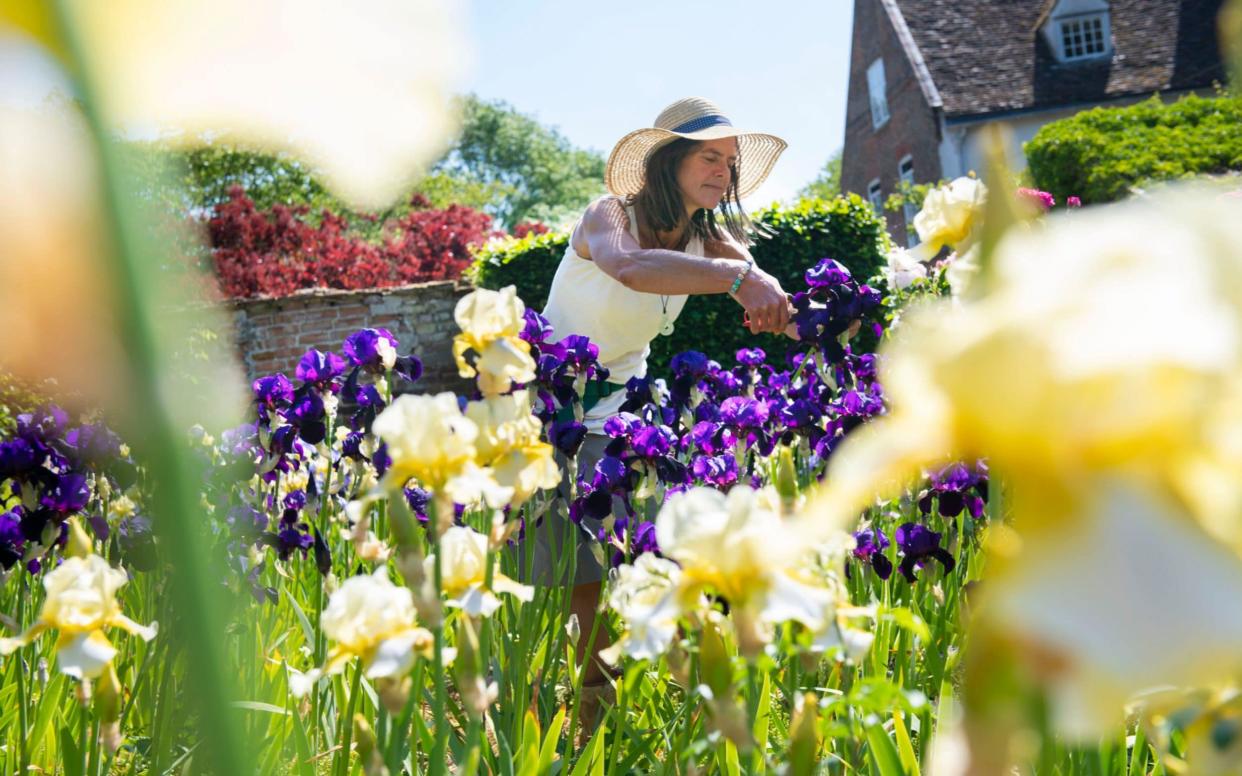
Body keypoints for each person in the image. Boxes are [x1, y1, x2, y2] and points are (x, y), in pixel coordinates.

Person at [532, 96, 793, 692]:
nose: (722, 171)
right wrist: (741, 279)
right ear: (668, 160)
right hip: (552, 409)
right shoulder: (608, 216)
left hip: (623, 414)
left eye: (729, 161)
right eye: (708, 156)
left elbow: (767, 293)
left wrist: (819, 315)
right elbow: (630, 268)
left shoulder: (714, 241)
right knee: (584, 583)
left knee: (667, 556)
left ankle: (690, 703)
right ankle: (591, 727)